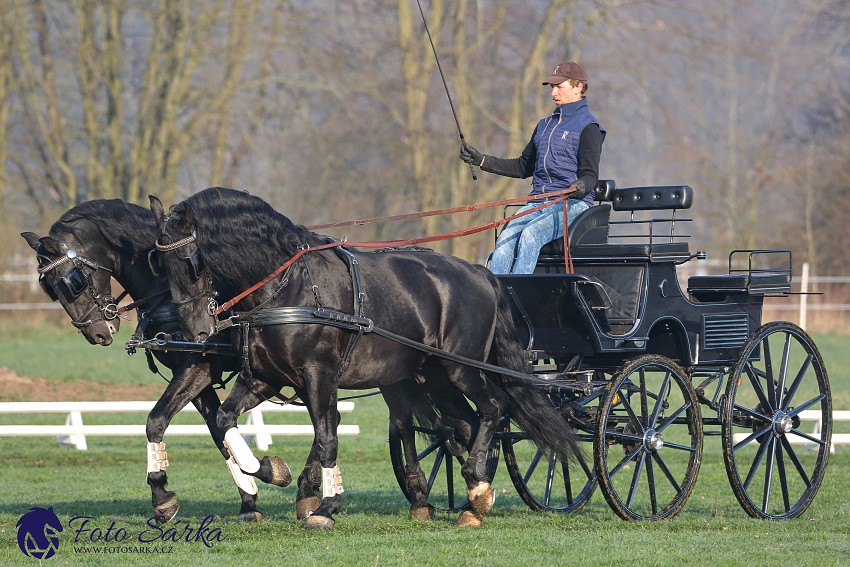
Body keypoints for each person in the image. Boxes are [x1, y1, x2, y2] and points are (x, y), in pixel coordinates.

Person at [460, 60, 605, 274]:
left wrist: (581, 185)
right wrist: (481, 160)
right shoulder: (544, 126)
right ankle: (497, 296)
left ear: (578, 87)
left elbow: (590, 176)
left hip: (572, 205)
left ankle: (520, 295)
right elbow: (522, 167)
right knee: (506, 237)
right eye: (551, 87)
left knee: (531, 234)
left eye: (559, 86)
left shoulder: (588, 127)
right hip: (538, 202)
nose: (553, 92)